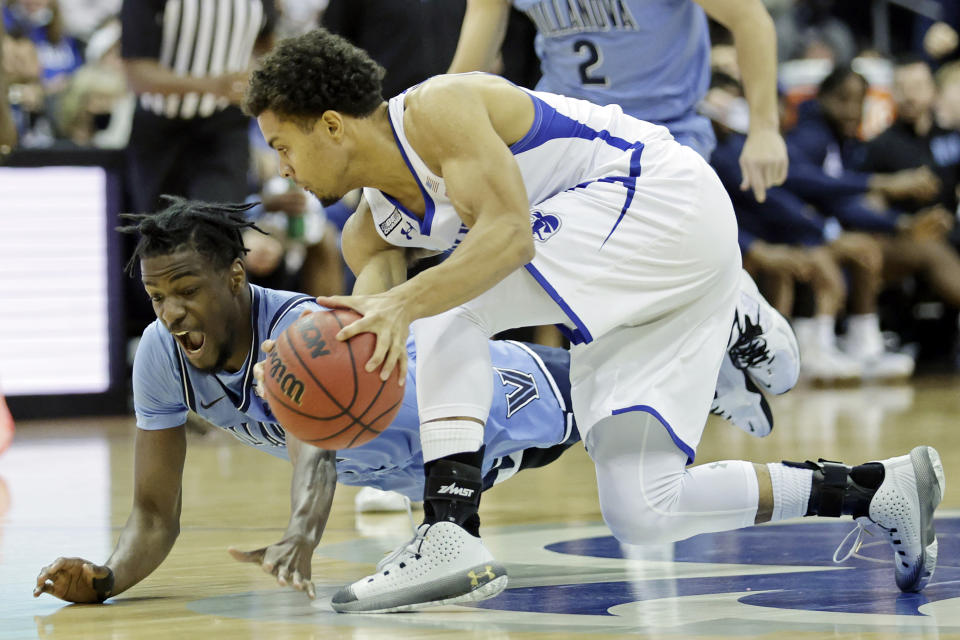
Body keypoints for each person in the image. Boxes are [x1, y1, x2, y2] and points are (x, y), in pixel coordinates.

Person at [246, 30, 946, 614]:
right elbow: (375, 345)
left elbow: (509, 239)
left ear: (333, 126)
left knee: (446, 297)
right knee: (643, 507)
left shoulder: (437, 108)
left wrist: (401, 306)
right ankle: (874, 488)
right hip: (627, 266)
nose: (283, 168)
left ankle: (450, 529)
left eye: (284, 145)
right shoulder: (368, 238)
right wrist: (308, 382)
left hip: (663, 201)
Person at [31, 197, 586, 604]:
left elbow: (314, 453)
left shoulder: (297, 330)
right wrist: (105, 579)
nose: (171, 312)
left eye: (187, 290)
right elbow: (154, 514)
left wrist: (302, 531)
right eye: (157, 297)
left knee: (657, 428)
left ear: (234, 278)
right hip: (448, 469)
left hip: (517, 399)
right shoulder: (160, 355)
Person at [448, 0, 787, 202]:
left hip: (663, 133)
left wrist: (764, 130)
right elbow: (463, 74)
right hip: (563, 132)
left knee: (645, 270)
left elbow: (750, 18)